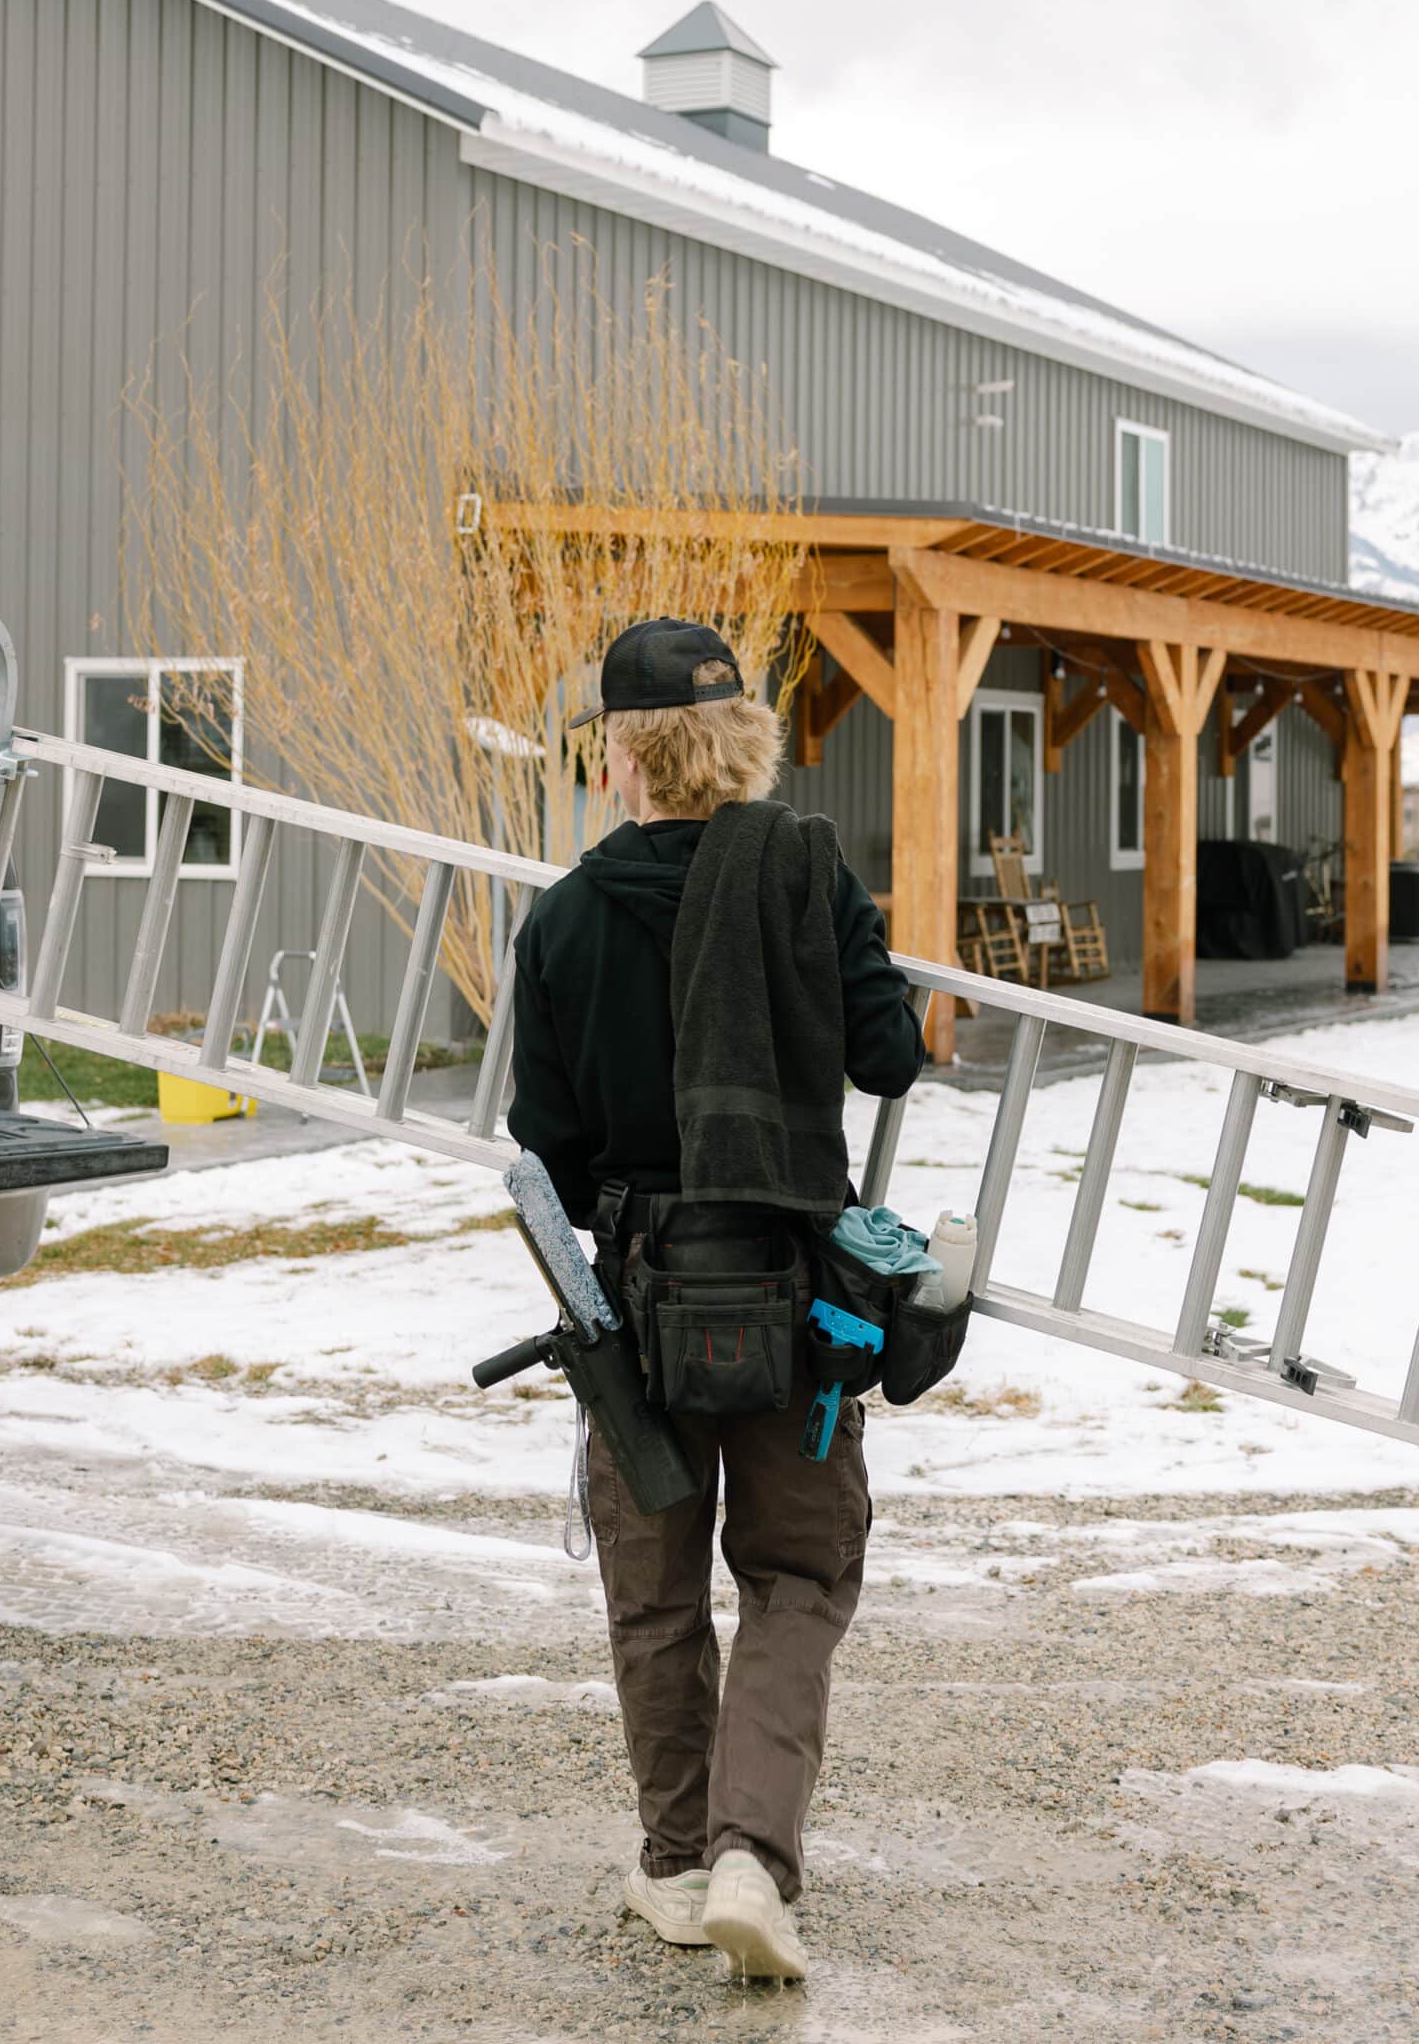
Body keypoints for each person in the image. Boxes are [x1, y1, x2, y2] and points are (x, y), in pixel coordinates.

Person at [508, 617, 926, 1982]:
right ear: (737, 735)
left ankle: (679, 1866)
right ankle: (758, 1853)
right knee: (797, 1578)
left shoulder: (566, 916)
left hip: (642, 1302)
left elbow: (549, 1144)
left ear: (624, 756)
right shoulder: (801, 868)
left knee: (657, 1594)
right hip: (800, 1297)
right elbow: (890, 1059)